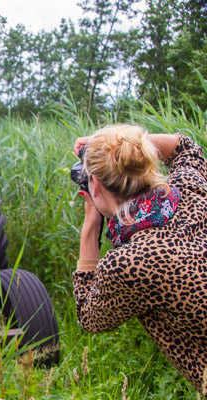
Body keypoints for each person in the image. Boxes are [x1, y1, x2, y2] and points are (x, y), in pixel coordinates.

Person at [73, 124, 207, 395]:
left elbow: (88, 316)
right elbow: (183, 145)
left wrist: (90, 224)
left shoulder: (130, 263)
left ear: (95, 184)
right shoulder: (191, 186)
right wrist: (121, 143)